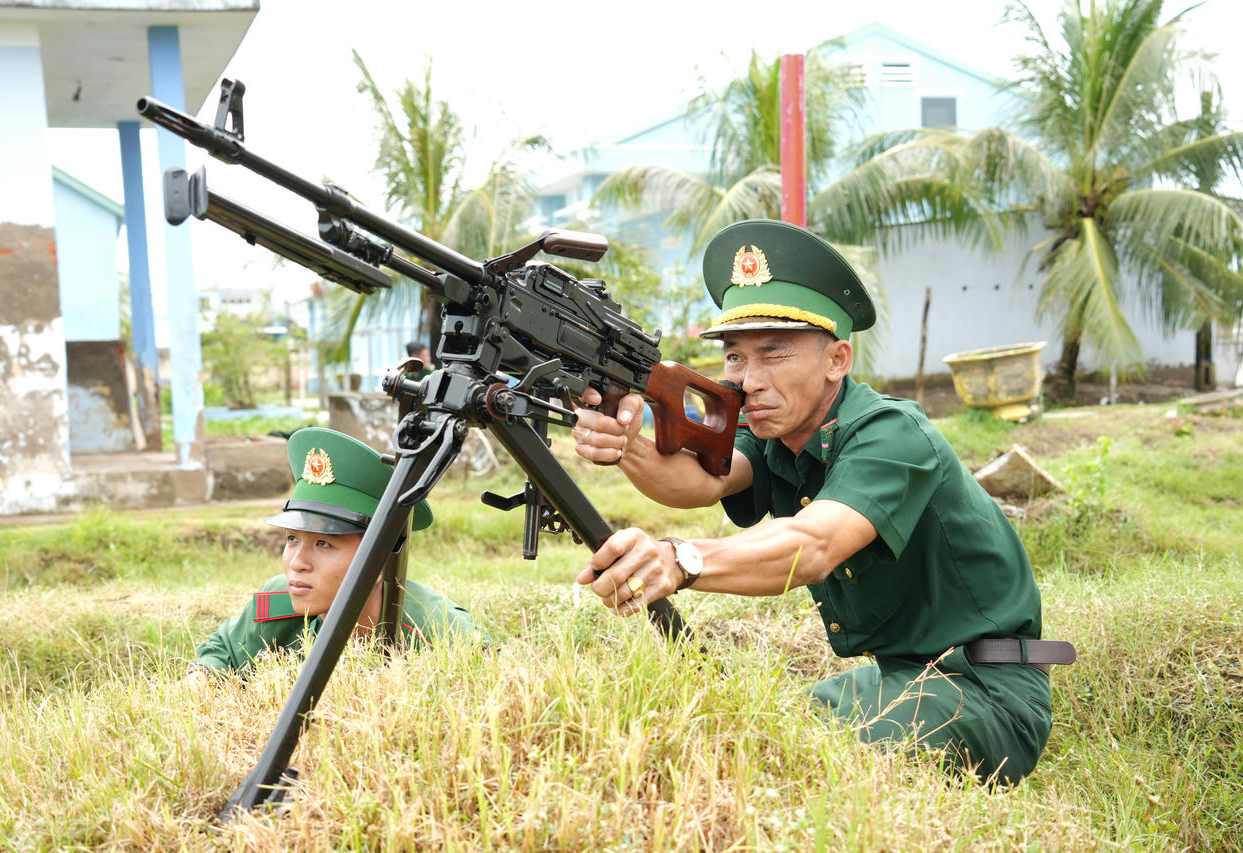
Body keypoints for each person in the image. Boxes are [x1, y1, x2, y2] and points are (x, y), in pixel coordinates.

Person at [572, 219, 1072, 785]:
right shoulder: (776, 432)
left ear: (837, 360)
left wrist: (680, 559)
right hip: (899, 677)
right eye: (735, 357)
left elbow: (812, 545)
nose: (748, 380)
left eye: (773, 354)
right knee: (759, 732)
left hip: (986, 691)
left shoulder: (892, 433)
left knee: (795, 763)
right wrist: (625, 445)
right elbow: (701, 482)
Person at [188, 427, 481, 681]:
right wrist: (201, 679)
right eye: (292, 539)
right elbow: (222, 650)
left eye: (323, 543)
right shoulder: (277, 605)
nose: (297, 564)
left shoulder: (439, 632)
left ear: (379, 560)